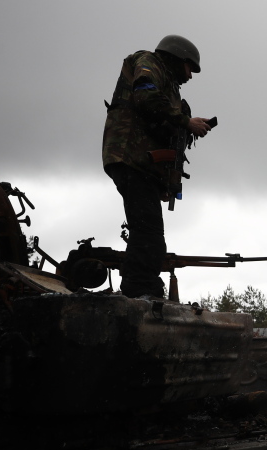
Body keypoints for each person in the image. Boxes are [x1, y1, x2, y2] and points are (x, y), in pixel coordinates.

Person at [102, 35, 213, 298]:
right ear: (176, 58)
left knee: (148, 230)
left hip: (143, 164)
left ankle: (139, 288)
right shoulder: (148, 62)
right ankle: (139, 291)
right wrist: (185, 122)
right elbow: (145, 97)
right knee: (148, 232)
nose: (190, 75)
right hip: (130, 157)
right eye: (189, 67)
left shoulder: (171, 88)